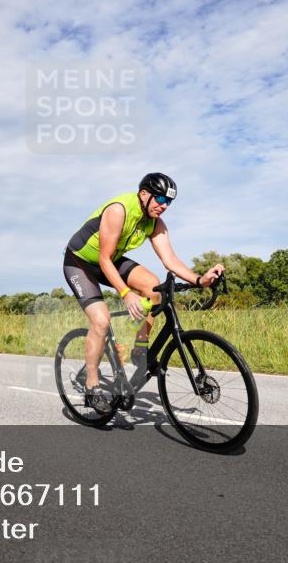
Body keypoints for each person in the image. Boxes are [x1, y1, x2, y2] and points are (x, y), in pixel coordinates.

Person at [63, 173, 225, 413]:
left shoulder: (155, 222)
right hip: (81, 263)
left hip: (111, 260)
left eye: (169, 202)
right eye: (160, 198)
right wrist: (127, 293)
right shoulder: (119, 210)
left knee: (153, 286)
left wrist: (200, 280)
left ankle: (140, 348)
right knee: (101, 321)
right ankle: (92, 386)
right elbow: (104, 260)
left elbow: (170, 259)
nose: (164, 206)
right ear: (144, 194)